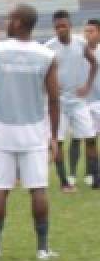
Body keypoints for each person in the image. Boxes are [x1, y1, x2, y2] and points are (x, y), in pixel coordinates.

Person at [0, 4, 60, 260]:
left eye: (9, 18)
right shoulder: (46, 55)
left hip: (2, 130)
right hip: (34, 130)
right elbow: (54, 99)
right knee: (38, 189)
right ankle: (43, 248)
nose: (6, 21)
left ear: (18, 23)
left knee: (0, 189)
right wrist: (54, 136)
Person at [45, 10, 98, 192]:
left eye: (64, 26)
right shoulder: (48, 48)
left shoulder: (81, 44)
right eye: (57, 26)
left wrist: (87, 85)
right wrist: (49, 87)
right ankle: (64, 182)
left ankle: (96, 179)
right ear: (54, 28)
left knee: (90, 138)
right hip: (58, 103)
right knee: (58, 142)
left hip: (78, 101)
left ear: (70, 26)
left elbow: (94, 63)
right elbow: (40, 72)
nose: (60, 29)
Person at [85, 18, 100, 189]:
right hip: (86, 103)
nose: (88, 34)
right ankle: (95, 175)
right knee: (90, 140)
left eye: (91, 31)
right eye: (86, 31)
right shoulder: (79, 51)